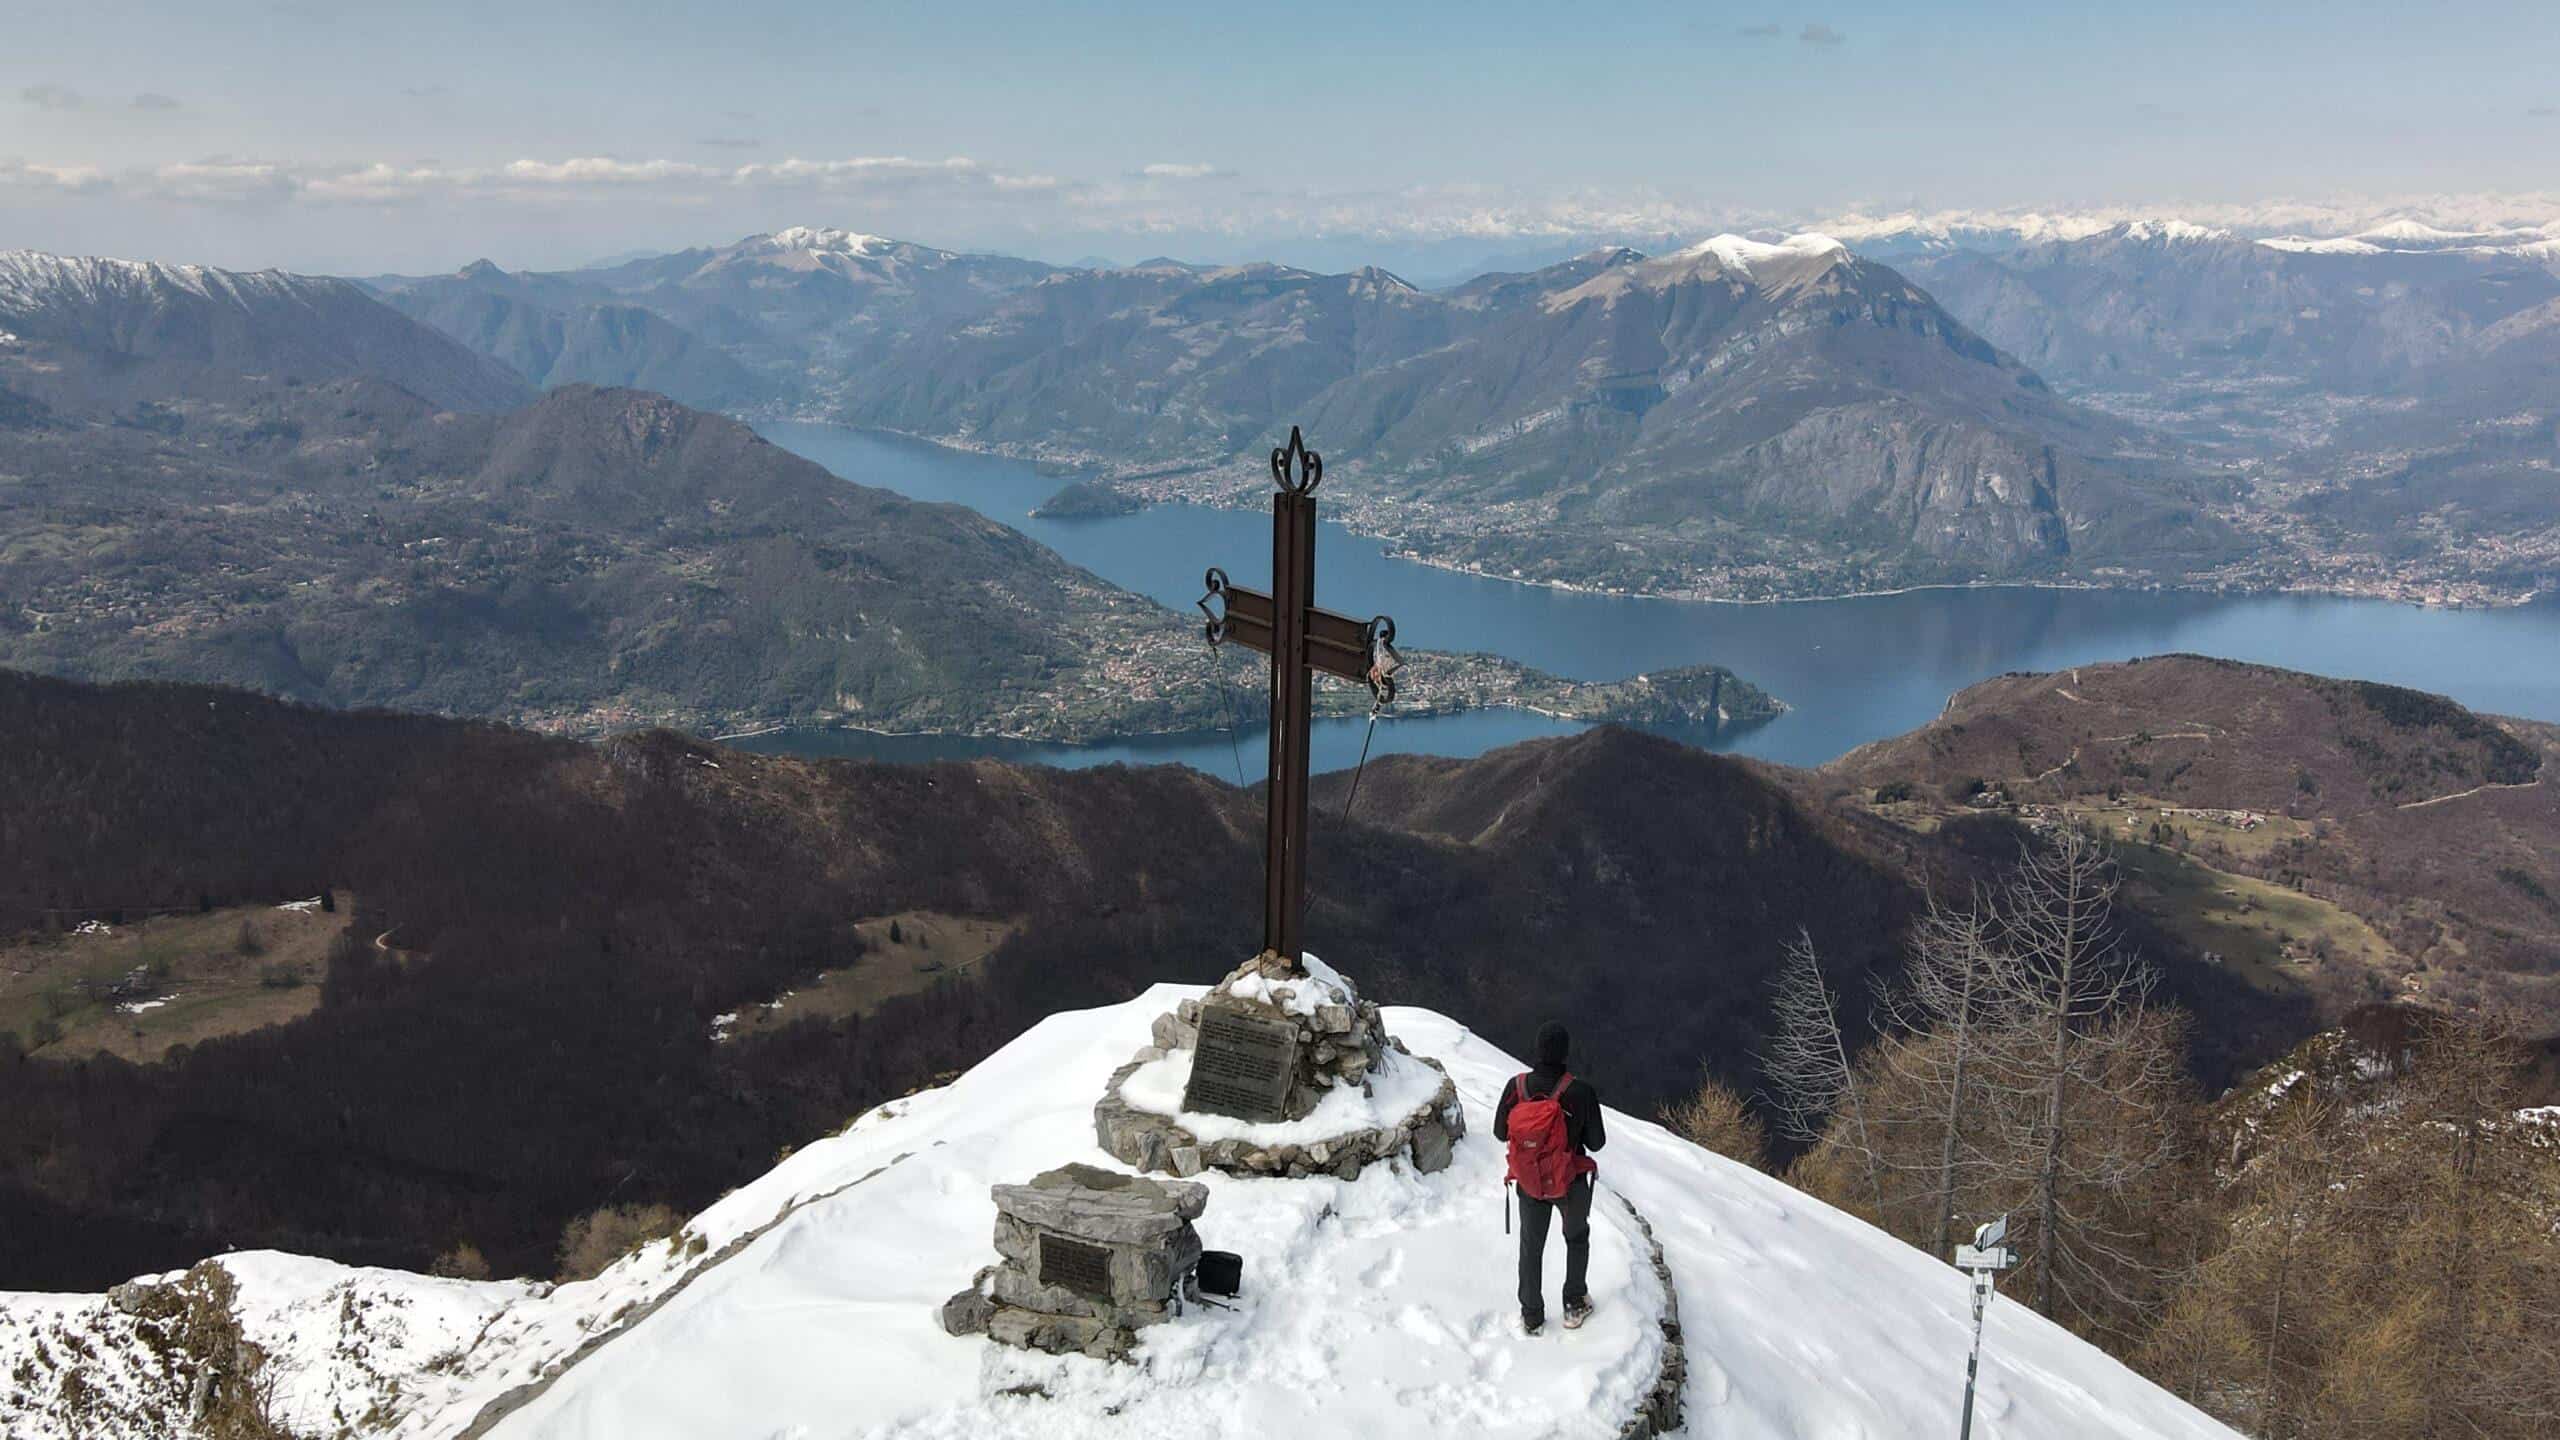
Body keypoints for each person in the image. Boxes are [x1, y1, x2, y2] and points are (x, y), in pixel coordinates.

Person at [1494, 1021, 1606, 1335]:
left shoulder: (1516, 1087)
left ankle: (1532, 1316)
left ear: (1538, 1050)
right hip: (1569, 1182)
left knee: (1531, 1246)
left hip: (1529, 1182)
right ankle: (1574, 1303)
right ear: (1565, 1053)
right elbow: (1597, 1142)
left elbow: (1500, 1132)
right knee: (1576, 1237)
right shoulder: (1581, 1091)